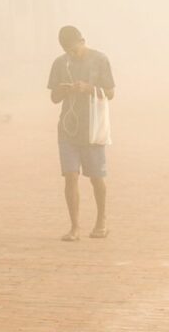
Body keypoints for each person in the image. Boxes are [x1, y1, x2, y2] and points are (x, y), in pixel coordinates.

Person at [47, 25, 115, 241]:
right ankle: (75, 227)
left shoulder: (99, 60)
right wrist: (65, 89)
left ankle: (101, 221)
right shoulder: (60, 63)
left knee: (96, 178)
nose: (72, 54)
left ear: (82, 41)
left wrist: (88, 88)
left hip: (92, 128)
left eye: (74, 49)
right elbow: (54, 97)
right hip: (68, 128)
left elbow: (110, 93)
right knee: (70, 176)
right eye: (67, 50)